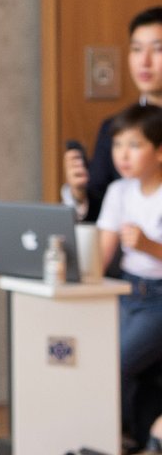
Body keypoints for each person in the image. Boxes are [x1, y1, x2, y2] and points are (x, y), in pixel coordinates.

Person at [98, 104, 162, 452]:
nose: (123, 155)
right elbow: (103, 255)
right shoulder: (119, 191)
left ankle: (116, 437)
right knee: (97, 355)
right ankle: (118, 435)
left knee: (115, 361)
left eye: (134, 145)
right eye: (117, 144)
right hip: (124, 290)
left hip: (158, 298)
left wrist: (149, 245)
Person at [64, 7, 162, 223]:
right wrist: (79, 193)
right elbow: (98, 209)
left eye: (158, 50)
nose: (144, 61)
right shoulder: (116, 128)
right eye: (136, 49)